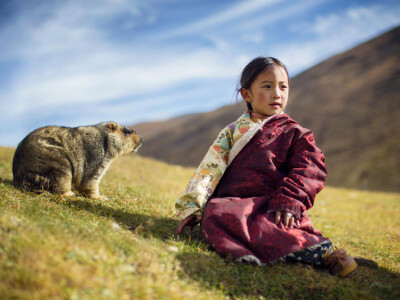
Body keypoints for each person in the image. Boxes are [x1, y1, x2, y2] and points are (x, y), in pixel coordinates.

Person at [175, 56, 358, 277]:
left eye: (283, 87)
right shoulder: (232, 132)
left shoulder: (296, 134)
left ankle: (325, 253)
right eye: (267, 86)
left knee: (278, 228)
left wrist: (290, 199)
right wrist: (194, 205)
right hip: (232, 205)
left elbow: (311, 167)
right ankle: (250, 253)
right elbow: (210, 168)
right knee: (214, 213)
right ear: (246, 94)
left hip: (274, 206)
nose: (277, 94)